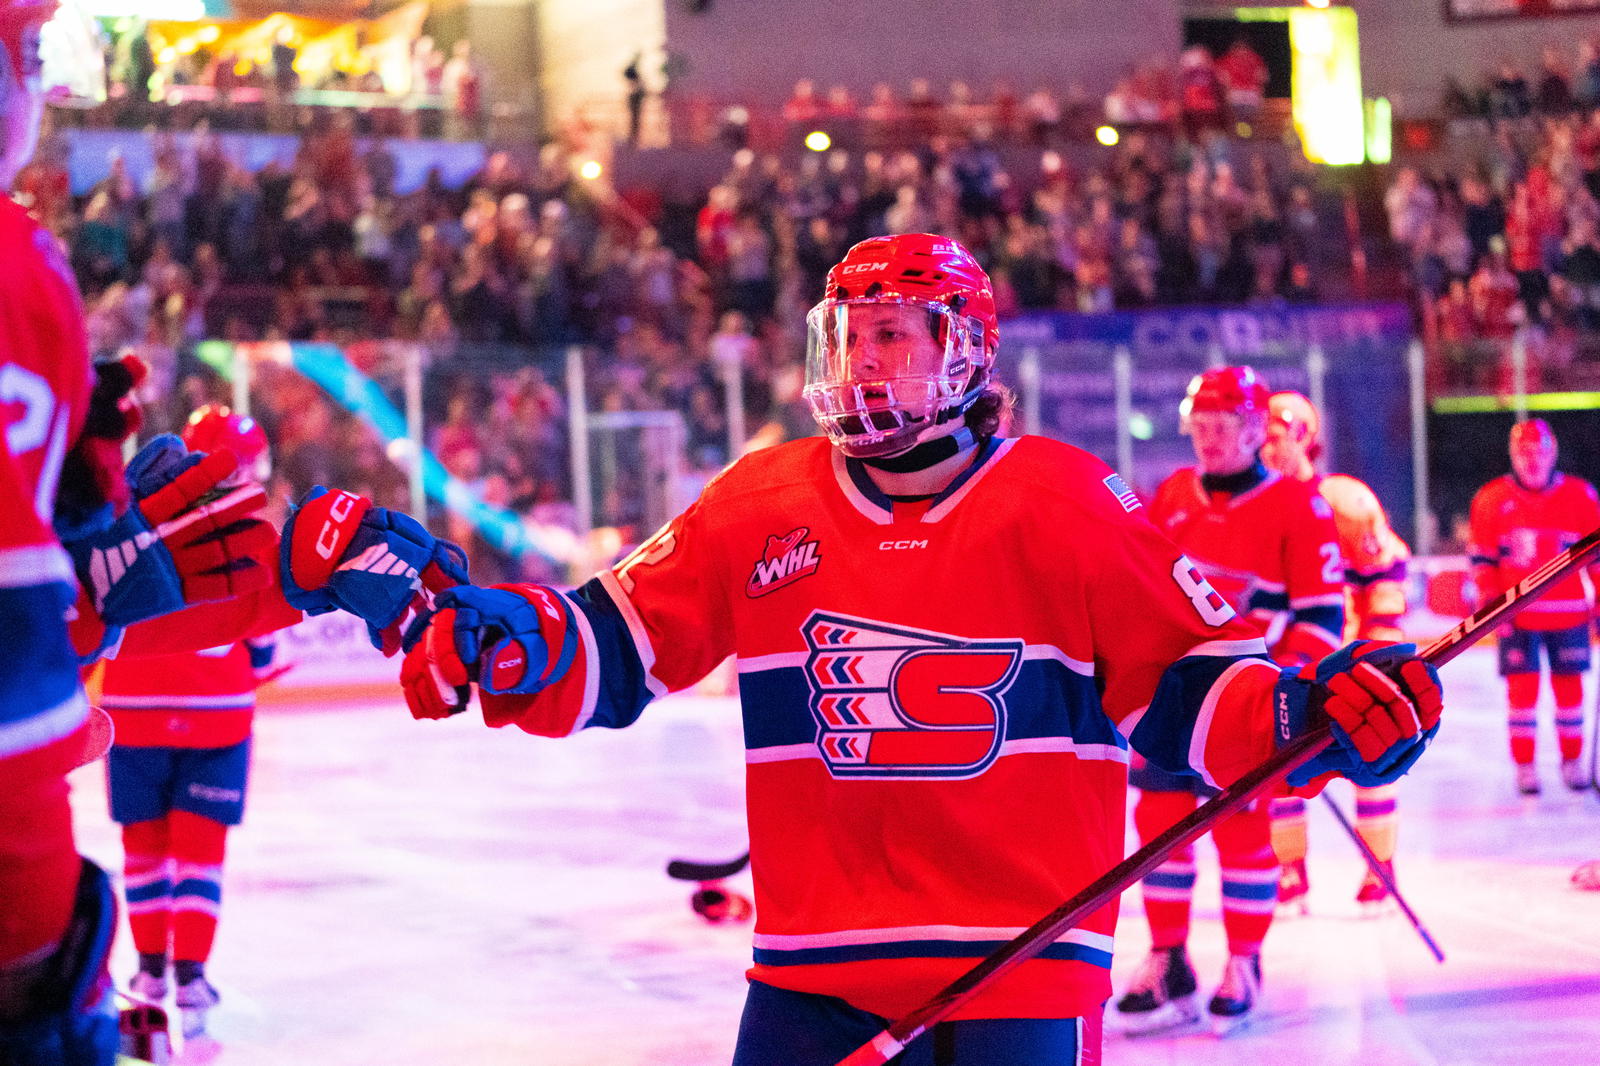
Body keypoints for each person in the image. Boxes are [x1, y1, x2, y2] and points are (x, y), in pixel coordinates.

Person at [397, 234, 1442, 1065]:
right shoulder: (757, 504)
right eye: (850, 336)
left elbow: (1193, 690)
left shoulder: (1068, 501)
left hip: (1024, 967)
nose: (862, 360)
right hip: (810, 970)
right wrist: (512, 641)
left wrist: (1316, 715)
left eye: (892, 334)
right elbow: (615, 642)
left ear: (964, 349)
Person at [1115, 366, 1344, 1036]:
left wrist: (1278, 699)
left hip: (1247, 705)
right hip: (1172, 699)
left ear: (1253, 429)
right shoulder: (1172, 495)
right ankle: (1168, 959)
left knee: (1243, 832)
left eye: (1224, 426)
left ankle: (1244, 962)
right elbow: (1148, 594)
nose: (1209, 439)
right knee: (1160, 828)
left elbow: (1322, 618)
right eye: (1201, 426)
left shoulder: (1300, 507)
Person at [98, 406, 280, 1039]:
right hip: (218, 717)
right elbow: (264, 647)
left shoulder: (134, 518)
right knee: (200, 852)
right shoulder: (249, 533)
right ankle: (192, 975)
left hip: (133, 712)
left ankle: (149, 972)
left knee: (143, 848)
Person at [1260, 391, 1412, 913]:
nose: (1265, 447)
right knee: (1280, 770)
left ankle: (1379, 864)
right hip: (1282, 665)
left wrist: (1379, 651)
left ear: (1303, 436)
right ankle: (1289, 867)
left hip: (1347, 662)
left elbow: (1384, 573)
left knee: (1372, 755)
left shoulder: (1345, 501)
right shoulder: (1254, 507)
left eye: (1274, 436)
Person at [1468, 418, 1600, 795]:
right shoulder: (1491, 499)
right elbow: (1483, 563)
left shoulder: (1581, 496)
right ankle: (1525, 767)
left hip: (1569, 615)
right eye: (1523, 452)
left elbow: (1596, 561)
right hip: (1518, 617)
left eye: (1539, 452)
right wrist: (1492, 611)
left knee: (1570, 695)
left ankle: (1572, 763)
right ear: (1512, 455)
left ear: (1552, 452)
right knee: (1522, 696)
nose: (1532, 460)